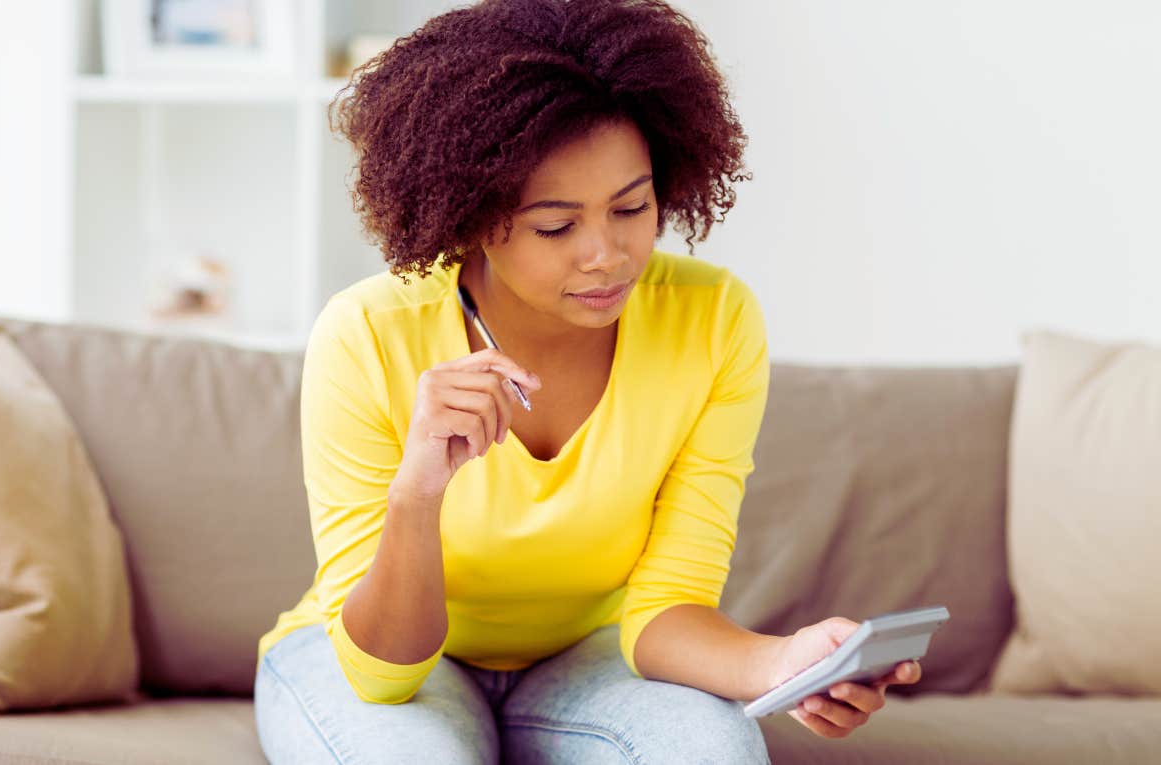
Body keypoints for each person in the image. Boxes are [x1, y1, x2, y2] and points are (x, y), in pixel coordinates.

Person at [254, 0, 921, 761]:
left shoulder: (712, 321)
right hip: (372, 657)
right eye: (555, 225)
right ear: (470, 215)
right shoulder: (368, 335)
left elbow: (668, 605)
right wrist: (418, 492)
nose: (606, 254)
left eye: (631, 207)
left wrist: (785, 663)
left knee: (713, 750)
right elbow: (380, 674)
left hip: (585, 659)